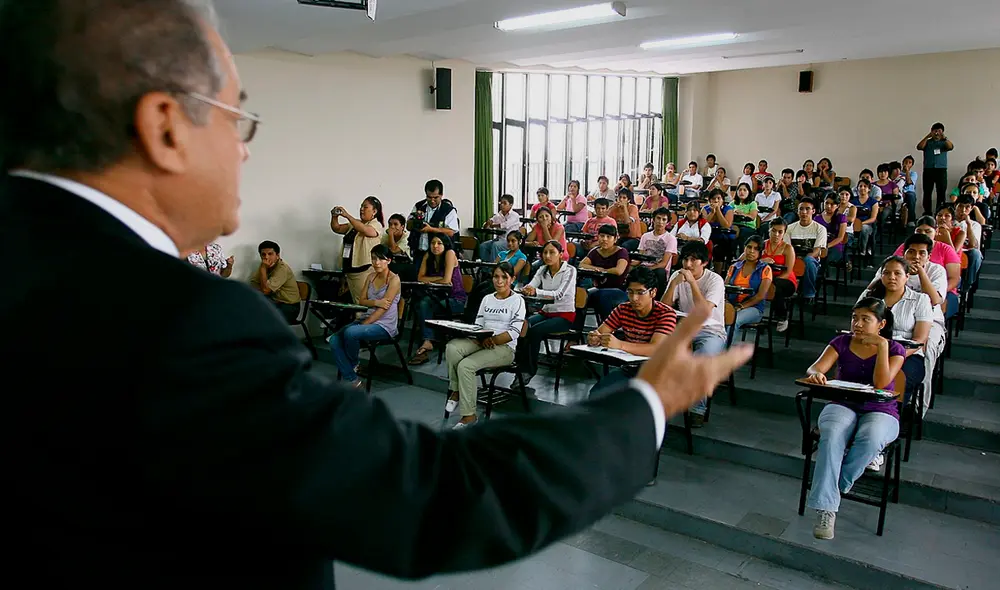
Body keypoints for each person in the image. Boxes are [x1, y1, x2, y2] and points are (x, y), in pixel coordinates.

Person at [0, 1, 754, 587]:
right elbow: (430, 498)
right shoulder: (180, 323)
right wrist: (645, 405)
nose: (243, 149)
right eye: (237, 118)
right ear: (165, 126)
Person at [802, 298, 905, 540]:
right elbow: (814, 368)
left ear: (881, 324)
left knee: (872, 437)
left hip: (881, 409)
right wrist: (816, 375)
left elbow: (881, 384)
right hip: (842, 403)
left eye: (865, 319)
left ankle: (834, 488)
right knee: (832, 434)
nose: (857, 324)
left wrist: (881, 347)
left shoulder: (895, 349)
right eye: (854, 318)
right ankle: (827, 509)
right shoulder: (841, 342)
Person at [444, 262, 527, 428]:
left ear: (512, 279)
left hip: (505, 348)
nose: (499, 281)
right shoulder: (487, 299)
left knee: (465, 366)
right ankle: (456, 389)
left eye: (504, 277)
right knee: (452, 348)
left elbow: (514, 333)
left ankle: (469, 416)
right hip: (483, 340)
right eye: (496, 276)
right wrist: (481, 337)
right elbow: (479, 325)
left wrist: (493, 340)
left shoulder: (518, 300)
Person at [663, 241, 727, 426]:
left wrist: (692, 283)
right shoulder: (677, 275)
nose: (688, 264)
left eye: (693, 260)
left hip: (711, 331)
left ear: (704, 262)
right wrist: (673, 284)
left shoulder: (715, 280)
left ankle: (697, 408)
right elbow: (663, 308)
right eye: (685, 259)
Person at [588, 267, 678, 396]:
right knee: (597, 394)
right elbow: (600, 332)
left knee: (637, 400)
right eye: (630, 292)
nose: (634, 298)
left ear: (653, 292)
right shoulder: (623, 309)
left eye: (640, 292)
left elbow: (655, 349)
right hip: (631, 368)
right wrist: (594, 338)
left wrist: (620, 345)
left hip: (660, 372)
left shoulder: (666, 314)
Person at [329, 245, 401, 389]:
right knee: (334, 339)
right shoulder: (370, 277)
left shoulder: (394, 280)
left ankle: (352, 366)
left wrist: (364, 324)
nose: (376, 262)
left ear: (389, 260)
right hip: (367, 319)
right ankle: (353, 379)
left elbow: (383, 309)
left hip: (384, 325)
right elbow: (362, 301)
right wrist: (376, 302)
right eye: (374, 259)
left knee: (351, 332)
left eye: (381, 259)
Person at [862, 256, 932, 404]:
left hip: (908, 354)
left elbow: (920, 339)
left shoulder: (920, 300)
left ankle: (889, 413)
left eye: (897, 273)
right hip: (870, 350)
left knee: (897, 379)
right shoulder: (869, 296)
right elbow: (857, 327)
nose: (891, 277)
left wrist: (896, 355)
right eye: (886, 273)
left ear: (907, 276)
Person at [521, 241, 578, 376]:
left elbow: (559, 294)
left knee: (535, 331)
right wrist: (527, 289)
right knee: (522, 325)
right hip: (546, 313)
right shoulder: (542, 269)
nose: (547, 256)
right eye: (545, 252)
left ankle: (529, 371)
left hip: (564, 316)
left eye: (552, 252)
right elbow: (531, 286)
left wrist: (536, 292)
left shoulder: (570, 270)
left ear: (561, 254)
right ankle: (520, 365)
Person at [409, 235, 467, 365]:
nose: (435, 246)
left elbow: (447, 281)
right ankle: (428, 340)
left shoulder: (450, 253)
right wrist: (437, 279)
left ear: (445, 244)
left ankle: (428, 340)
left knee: (425, 305)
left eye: (439, 243)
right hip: (437, 297)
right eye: (433, 243)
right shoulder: (428, 255)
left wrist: (430, 280)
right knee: (422, 303)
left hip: (455, 299)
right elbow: (420, 278)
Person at [894, 217, 962, 319]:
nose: (923, 234)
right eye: (919, 231)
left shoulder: (945, 250)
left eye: (928, 231)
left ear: (936, 231)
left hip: (943, 288)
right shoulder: (906, 247)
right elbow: (894, 266)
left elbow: (954, 278)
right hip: (905, 292)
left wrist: (940, 291)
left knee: (938, 305)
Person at [330, 196, 385, 303]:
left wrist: (347, 215)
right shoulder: (354, 224)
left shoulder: (376, 225)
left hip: (363, 270)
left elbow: (365, 230)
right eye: (361, 207)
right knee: (355, 302)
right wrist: (334, 216)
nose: (361, 209)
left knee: (363, 301)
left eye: (365, 207)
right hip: (349, 269)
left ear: (374, 211)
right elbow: (337, 228)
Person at [578, 225, 631, 326]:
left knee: (603, 296)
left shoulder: (622, 252)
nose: (604, 239)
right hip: (599, 288)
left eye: (608, 237)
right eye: (602, 236)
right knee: (581, 295)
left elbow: (619, 270)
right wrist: (596, 269)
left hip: (620, 290)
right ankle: (577, 329)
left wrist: (603, 270)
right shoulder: (595, 251)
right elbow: (582, 265)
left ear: (615, 239)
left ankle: (607, 328)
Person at [726, 235, 773, 334]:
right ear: (744, 248)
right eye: (749, 247)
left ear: (761, 252)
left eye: (756, 249)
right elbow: (724, 289)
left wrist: (741, 306)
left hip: (753, 308)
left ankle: (726, 344)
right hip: (732, 304)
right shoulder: (734, 267)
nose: (751, 251)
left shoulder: (765, 269)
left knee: (733, 319)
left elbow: (760, 296)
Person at [408, 179, 460, 271]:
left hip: (439, 254)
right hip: (418, 252)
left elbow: (451, 232)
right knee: (417, 277)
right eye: (429, 197)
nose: (432, 201)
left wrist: (431, 229)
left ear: (441, 195)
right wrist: (415, 221)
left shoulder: (448, 210)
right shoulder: (419, 206)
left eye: (435, 197)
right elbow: (408, 226)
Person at [784, 198, 827, 300]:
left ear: (813, 211)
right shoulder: (789, 228)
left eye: (807, 209)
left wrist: (803, 260)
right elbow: (787, 249)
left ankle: (809, 294)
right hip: (794, 259)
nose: (804, 212)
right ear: (797, 211)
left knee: (808, 261)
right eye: (801, 209)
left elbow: (817, 251)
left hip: (813, 262)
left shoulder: (820, 229)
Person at [249, 240, 301, 323]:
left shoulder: (282, 268)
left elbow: (265, 290)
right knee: (247, 307)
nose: (266, 257)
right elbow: (253, 284)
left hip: (289, 307)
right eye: (263, 254)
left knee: (260, 317)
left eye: (270, 254)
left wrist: (263, 269)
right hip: (274, 302)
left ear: (277, 255)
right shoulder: (265, 265)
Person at [760, 219, 797, 332]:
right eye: (774, 231)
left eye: (780, 232)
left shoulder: (788, 248)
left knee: (775, 285)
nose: (776, 234)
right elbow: (744, 259)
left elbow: (788, 272)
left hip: (785, 280)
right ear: (769, 230)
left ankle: (782, 316)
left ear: (784, 233)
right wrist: (761, 261)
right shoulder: (761, 245)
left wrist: (770, 282)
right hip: (765, 278)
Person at [635, 207, 678, 296]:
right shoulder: (645, 236)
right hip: (644, 266)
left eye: (664, 219)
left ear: (667, 222)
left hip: (658, 269)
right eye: (658, 218)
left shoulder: (671, 239)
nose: (660, 222)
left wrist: (648, 269)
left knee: (660, 272)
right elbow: (640, 257)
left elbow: (664, 263)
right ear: (653, 219)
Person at [917, 122, 953, 214]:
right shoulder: (928, 142)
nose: (937, 133)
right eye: (935, 131)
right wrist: (928, 136)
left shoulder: (944, 142)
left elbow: (951, 147)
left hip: (941, 170)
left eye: (939, 131)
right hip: (928, 169)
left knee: (941, 192)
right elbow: (919, 147)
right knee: (927, 192)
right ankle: (927, 212)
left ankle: (939, 212)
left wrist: (944, 137)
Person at [478, 193, 522, 262]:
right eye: (501, 203)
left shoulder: (514, 215)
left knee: (496, 245)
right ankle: (486, 267)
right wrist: (487, 223)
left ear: (511, 205)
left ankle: (494, 266)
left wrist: (492, 225)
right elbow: (488, 224)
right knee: (483, 246)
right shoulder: (498, 215)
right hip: (499, 239)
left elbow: (505, 225)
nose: (502, 205)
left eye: (504, 203)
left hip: (509, 241)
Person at [702, 188, 735, 273]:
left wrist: (718, 211)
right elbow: (703, 224)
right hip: (709, 234)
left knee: (719, 249)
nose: (716, 201)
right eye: (713, 198)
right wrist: (712, 213)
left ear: (723, 200)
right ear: (710, 200)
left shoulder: (728, 209)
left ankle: (718, 273)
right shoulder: (705, 209)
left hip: (724, 235)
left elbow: (726, 225)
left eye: (719, 198)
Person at [814, 193, 847, 266]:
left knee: (826, 259)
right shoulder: (817, 218)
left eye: (832, 204)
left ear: (837, 206)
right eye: (827, 203)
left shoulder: (841, 217)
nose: (828, 206)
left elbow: (840, 238)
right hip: (820, 246)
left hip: (835, 246)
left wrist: (826, 246)